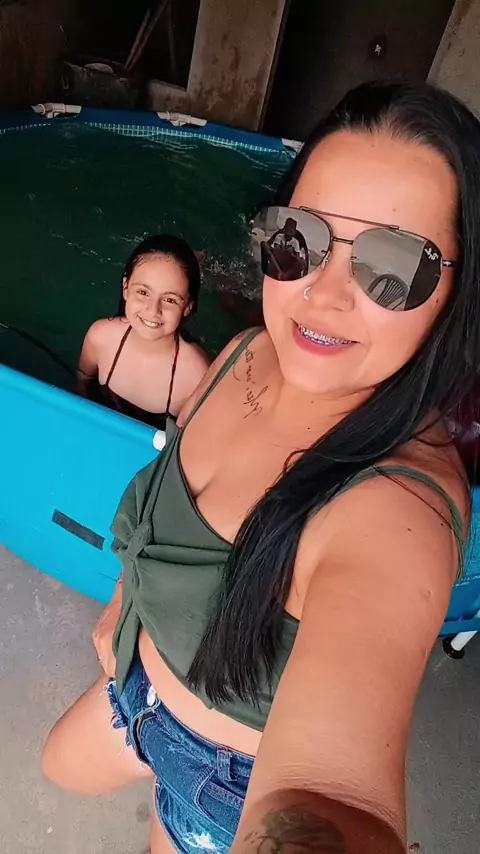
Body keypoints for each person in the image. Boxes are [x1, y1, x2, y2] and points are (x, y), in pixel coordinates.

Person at [42, 80, 480, 854]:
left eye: (393, 264)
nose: (323, 294)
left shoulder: (394, 510)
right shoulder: (244, 352)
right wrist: (123, 606)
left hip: (219, 782)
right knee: (56, 764)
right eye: (300, 239)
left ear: (457, 290)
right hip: (138, 676)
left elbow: (333, 797)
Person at [76, 234, 210, 430]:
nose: (153, 310)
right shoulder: (101, 337)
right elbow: (83, 380)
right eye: (143, 292)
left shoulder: (196, 373)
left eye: (170, 300)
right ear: (125, 288)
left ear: (187, 307)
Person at [261, 215, 308, 280]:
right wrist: (284, 251)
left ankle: (285, 275)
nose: (288, 233)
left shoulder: (295, 242)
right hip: (277, 261)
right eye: (287, 229)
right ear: (284, 229)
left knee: (302, 262)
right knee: (264, 244)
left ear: (294, 232)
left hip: (288, 263)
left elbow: (297, 257)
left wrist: (290, 254)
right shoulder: (279, 236)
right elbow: (276, 251)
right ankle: (279, 271)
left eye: (291, 230)